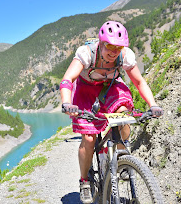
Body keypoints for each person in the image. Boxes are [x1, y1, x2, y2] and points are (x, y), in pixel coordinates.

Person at [59, 21, 163, 204]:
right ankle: (84, 181)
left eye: (119, 47)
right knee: (89, 138)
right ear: (101, 43)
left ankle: (121, 156)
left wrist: (153, 104)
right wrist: (67, 102)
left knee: (124, 115)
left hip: (111, 87)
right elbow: (68, 79)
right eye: (110, 46)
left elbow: (139, 82)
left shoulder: (125, 56)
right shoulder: (86, 54)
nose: (114, 51)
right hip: (85, 90)